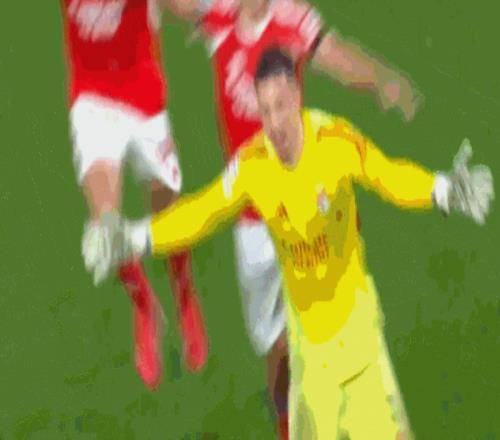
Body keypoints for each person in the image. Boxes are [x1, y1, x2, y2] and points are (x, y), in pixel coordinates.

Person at [84, 48, 493, 439]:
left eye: (280, 107)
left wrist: (443, 190)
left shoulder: (334, 141)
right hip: (310, 358)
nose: (274, 123)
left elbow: (388, 176)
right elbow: (202, 211)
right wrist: (134, 237)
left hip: (359, 345)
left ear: (296, 96)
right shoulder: (253, 165)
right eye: (265, 111)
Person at [181, 0, 425, 435]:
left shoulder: (291, 18)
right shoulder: (218, 14)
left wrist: (381, 81)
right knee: (273, 347)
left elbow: (335, 53)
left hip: (305, 203)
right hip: (252, 217)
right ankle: (287, 422)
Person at [60, 0, 209, 390]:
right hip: (93, 103)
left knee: (168, 214)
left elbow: (183, 7)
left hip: (145, 100)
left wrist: (206, 13)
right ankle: (145, 306)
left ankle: (184, 294)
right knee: (106, 228)